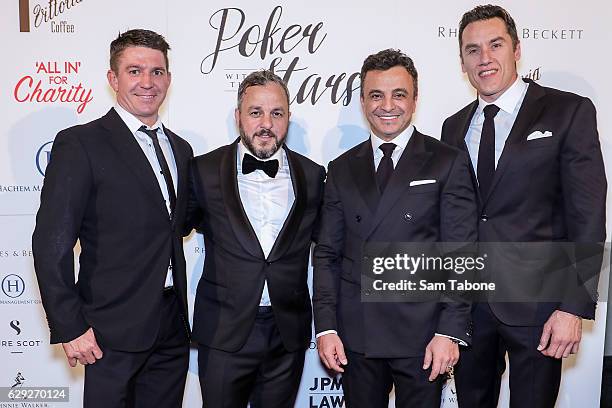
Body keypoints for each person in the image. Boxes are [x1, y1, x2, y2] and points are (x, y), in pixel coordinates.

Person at [441, 5, 607, 407]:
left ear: (517, 49)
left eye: (495, 45)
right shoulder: (453, 126)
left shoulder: (568, 110)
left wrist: (572, 306)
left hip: (540, 306)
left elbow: (588, 214)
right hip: (470, 307)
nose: (485, 58)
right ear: (462, 62)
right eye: (472, 50)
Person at [32, 29, 192, 407]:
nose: (147, 83)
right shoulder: (81, 143)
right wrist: (70, 325)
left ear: (168, 78)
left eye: (157, 72)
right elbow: (51, 243)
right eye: (135, 70)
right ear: (112, 78)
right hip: (109, 329)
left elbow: (177, 226)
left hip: (172, 324)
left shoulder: (181, 149)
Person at [313, 49, 478, 407]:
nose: (387, 105)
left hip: (423, 336)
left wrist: (449, 330)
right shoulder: (341, 168)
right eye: (376, 95)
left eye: (398, 94)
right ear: (362, 101)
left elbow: (461, 254)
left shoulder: (447, 161)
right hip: (357, 335)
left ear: (415, 99)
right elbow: (327, 254)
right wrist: (326, 326)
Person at [186, 69, 325, 408]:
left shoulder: (314, 174)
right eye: (255, 112)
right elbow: (168, 235)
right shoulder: (202, 171)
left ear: (289, 117)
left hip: (286, 334)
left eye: (277, 113)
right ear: (239, 117)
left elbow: (328, 251)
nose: (266, 123)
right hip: (223, 332)